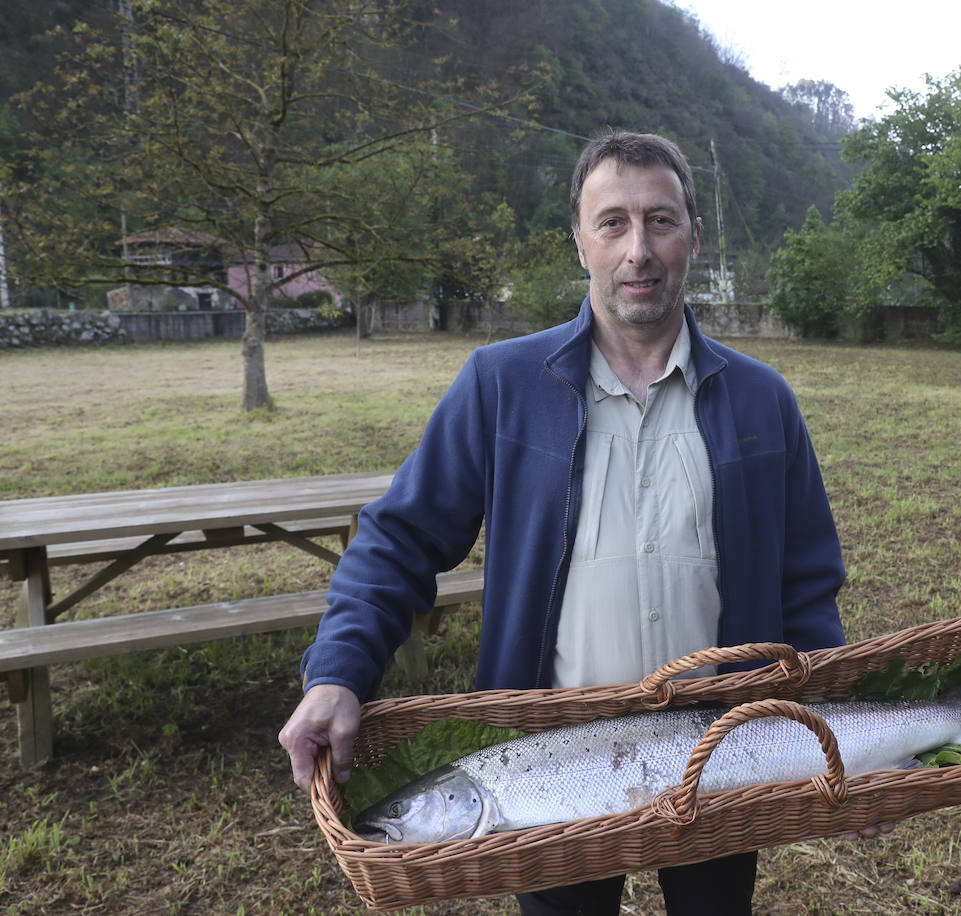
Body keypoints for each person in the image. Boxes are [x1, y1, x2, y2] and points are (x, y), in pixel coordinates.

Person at [278, 131, 848, 914]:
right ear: (579, 242)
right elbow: (399, 538)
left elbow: (807, 586)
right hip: (550, 761)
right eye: (611, 223)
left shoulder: (762, 400)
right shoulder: (502, 385)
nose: (638, 249)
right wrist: (338, 672)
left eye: (661, 220)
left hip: (723, 750)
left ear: (694, 237)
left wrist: (836, 738)